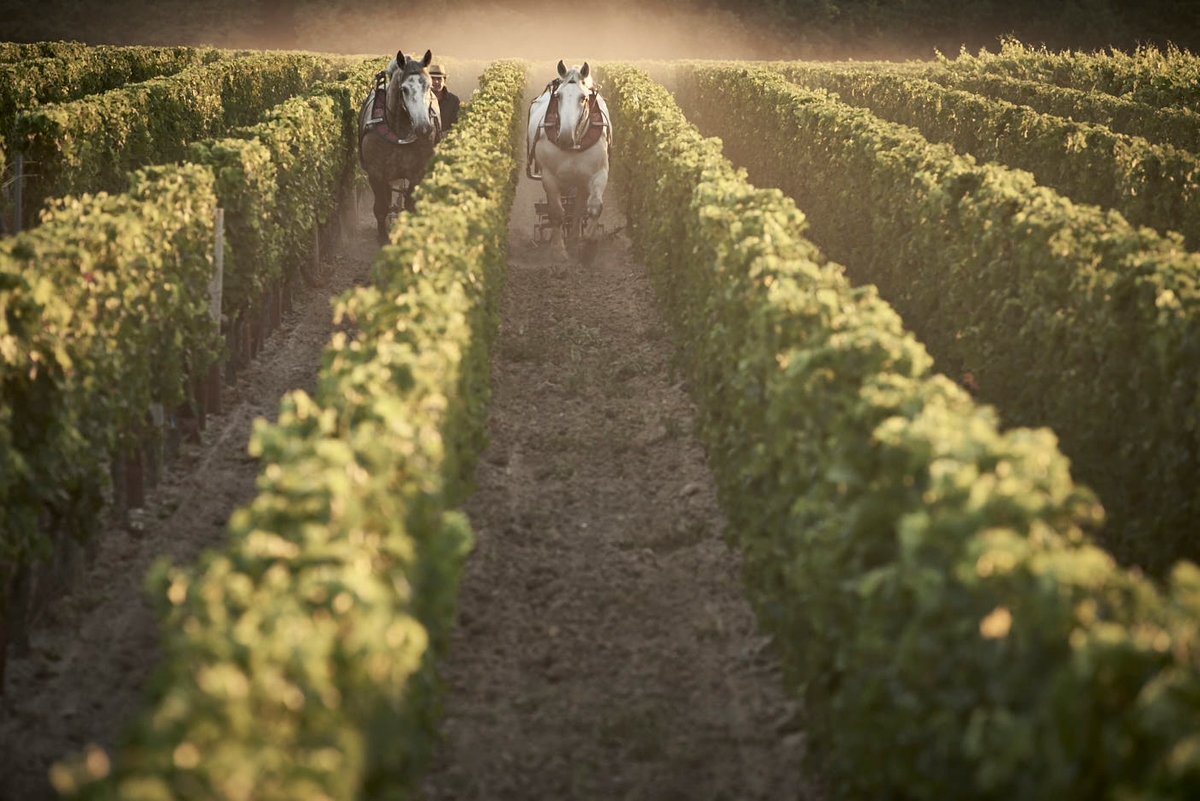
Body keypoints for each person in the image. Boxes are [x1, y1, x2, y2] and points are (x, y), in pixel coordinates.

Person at [428, 63, 460, 140]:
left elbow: (457, 125)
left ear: (445, 80)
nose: (435, 82)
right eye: (432, 78)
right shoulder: (422, 101)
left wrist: (443, 135)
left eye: (439, 79)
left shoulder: (453, 101)